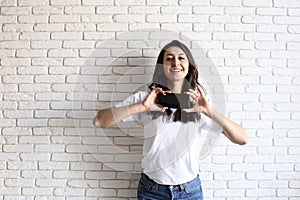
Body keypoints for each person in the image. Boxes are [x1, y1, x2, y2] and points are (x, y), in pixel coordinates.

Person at [93, 40, 248, 200]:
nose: (176, 62)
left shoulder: (199, 103)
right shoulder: (145, 99)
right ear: (162, 66)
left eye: (181, 58)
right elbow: (99, 121)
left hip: (189, 192)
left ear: (189, 65)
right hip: (151, 191)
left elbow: (242, 138)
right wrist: (141, 107)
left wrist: (208, 110)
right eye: (169, 58)